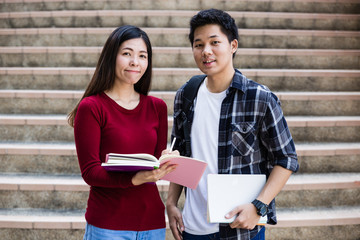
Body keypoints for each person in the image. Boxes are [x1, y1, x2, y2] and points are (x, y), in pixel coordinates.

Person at [166, 9, 299, 240]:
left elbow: (286, 158)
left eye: (214, 42)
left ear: (233, 45)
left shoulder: (259, 98)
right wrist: (171, 202)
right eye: (198, 45)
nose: (206, 51)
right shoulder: (186, 96)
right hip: (192, 228)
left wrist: (259, 206)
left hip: (240, 228)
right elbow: (181, 155)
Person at [67, 25, 176, 240]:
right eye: (127, 54)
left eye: (142, 56)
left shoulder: (157, 107)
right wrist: (135, 179)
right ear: (111, 56)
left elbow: (153, 163)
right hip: (108, 225)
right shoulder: (92, 107)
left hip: (152, 223)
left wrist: (168, 162)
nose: (135, 62)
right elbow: (90, 172)